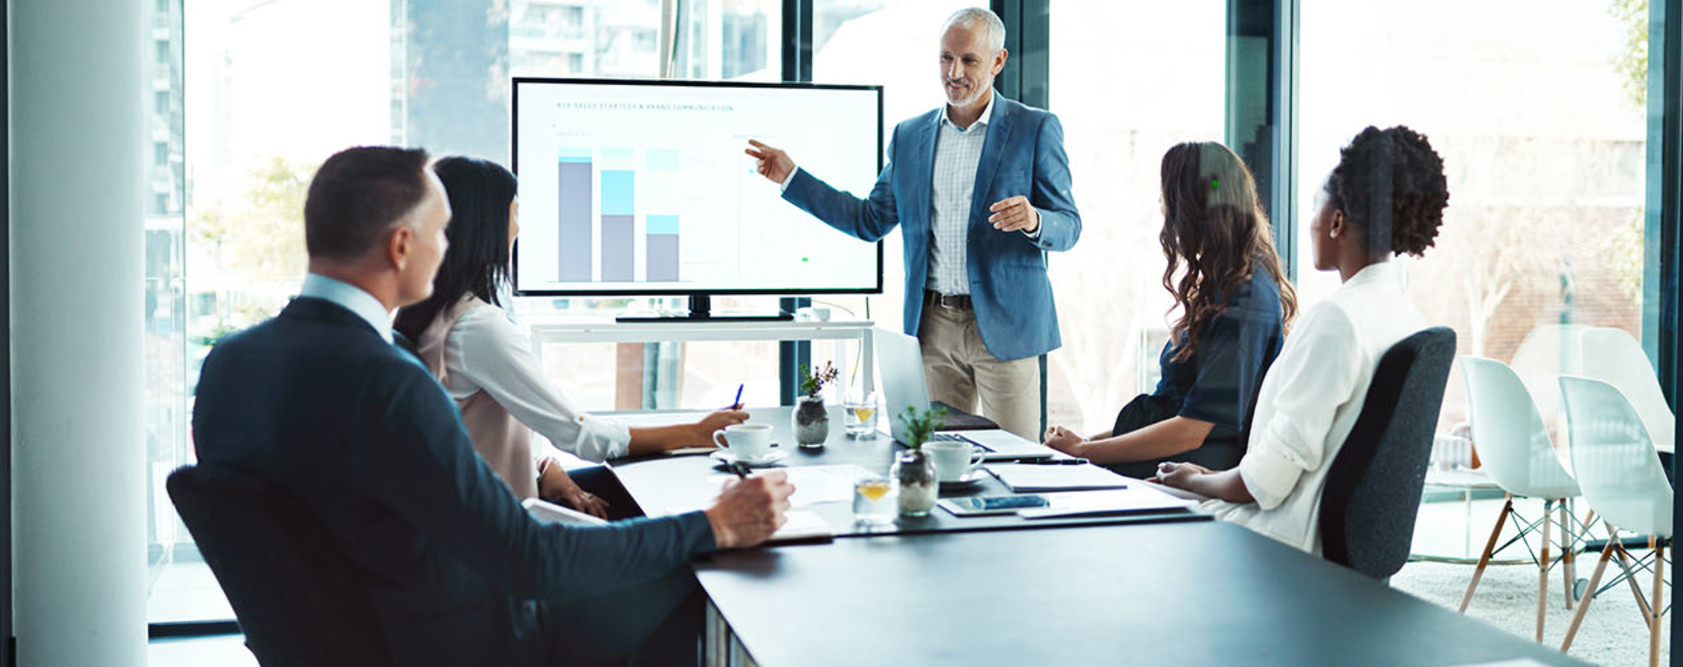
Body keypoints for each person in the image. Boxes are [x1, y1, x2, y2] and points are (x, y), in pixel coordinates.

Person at [192, 146, 794, 666]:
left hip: (350, 639)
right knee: (692, 574)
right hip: (459, 644)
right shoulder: (388, 382)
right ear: (403, 245)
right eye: (441, 230)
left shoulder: (229, 364)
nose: (448, 245)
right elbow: (527, 561)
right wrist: (712, 523)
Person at [744, 7, 1079, 441]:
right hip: (932, 329)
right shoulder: (910, 136)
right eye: (945, 58)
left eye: (970, 60)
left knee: (1015, 462)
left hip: (1007, 328)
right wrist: (792, 176)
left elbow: (1068, 225)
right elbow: (869, 220)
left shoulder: (1035, 129)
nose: (954, 72)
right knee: (936, 458)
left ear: (998, 61)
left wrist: (1035, 220)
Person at [394, 156, 748, 519]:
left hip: (470, 511)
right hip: (502, 529)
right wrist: (697, 432)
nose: (518, 229)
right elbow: (583, 437)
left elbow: (476, 431)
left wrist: (546, 467)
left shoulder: (429, 314)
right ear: (487, 226)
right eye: (514, 215)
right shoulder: (478, 328)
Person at [1153, 126, 1449, 554]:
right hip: (1320, 540)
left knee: (1123, 509)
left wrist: (1195, 480)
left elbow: (1265, 483)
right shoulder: (1406, 316)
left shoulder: (1337, 320)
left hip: (1277, 541)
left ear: (1336, 221)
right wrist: (1200, 479)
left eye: (1315, 205)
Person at [1040, 142, 1295, 479]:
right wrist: (1083, 444)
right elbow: (1173, 412)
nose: (1162, 209)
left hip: (1187, 469)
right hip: (1171, 458)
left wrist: (1085, 452)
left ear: (1191, 210)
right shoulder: (1224, 284)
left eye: (1167, 201)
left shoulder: (1246, 300)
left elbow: (1192, 430)